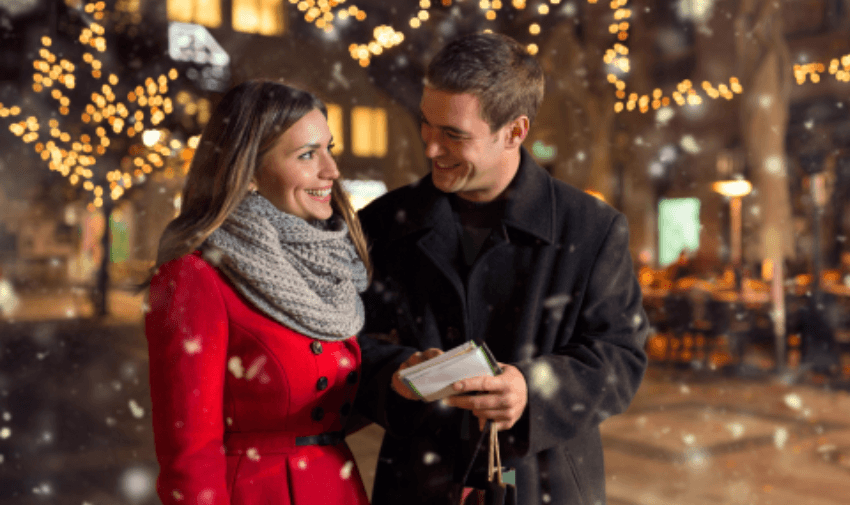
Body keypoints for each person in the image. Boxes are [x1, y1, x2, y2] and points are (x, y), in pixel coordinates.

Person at [354, 32, 650, 505]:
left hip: (543, 483)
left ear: (514, 132)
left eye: (453, 134)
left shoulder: (593, 228)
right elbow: (344, 345)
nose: (431, 148)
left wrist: (533, 390)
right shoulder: (384, 223)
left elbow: (621, 357)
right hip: (417, 481)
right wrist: (393, 371)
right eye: (426, 124)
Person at [144, 80, 372, 504]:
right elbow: (189, 456)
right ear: (248, 172)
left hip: (337, 487)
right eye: (307, 155)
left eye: (329, 149)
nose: (332, 171)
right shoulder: (195, 277)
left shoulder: (329, 268)